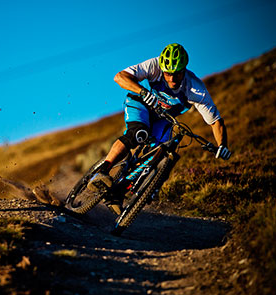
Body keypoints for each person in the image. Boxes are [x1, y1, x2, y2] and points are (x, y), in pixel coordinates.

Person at [88, 43, 231, 191]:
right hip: (140, 103)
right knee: (138, 133)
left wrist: (222, 145)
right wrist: (143, 92)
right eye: (168, 73)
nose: (172, 78)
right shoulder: (154, 65)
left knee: (160, 156)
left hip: (163, 118)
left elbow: (215, 121)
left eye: (177, 73)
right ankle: (101, 172)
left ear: (184, 70)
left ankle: (120, 193)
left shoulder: (195, 88)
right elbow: (120, 77)